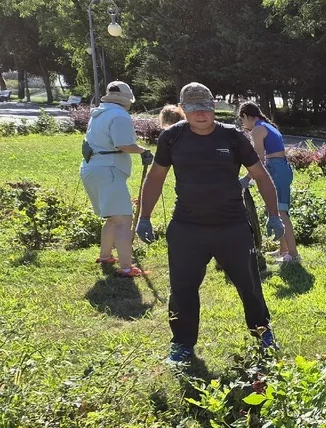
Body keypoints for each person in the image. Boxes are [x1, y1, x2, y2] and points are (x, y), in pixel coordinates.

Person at [135, 82, 285, 365]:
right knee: (182, 289)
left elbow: (261, 176)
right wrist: (144, 217)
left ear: (213, 108)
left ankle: (263, 334)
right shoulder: (171, 138)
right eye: (193, 109)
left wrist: (274, 214)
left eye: (205, 107)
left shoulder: (232, 137)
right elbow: (155, 178)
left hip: (232, 226)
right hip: (187, 227)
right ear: (183, 109)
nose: (200, 114)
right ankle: (181, 344)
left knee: (249, 285)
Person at [79, 81, 152, 277]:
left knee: (112, 218)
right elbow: (123, 144)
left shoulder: (99, 112)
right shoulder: (119, 115)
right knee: (122, 220)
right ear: (127, 100)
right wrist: (143, 150)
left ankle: (105, 256)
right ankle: (127, 267)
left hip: (91, 168)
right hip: (108, 169)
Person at [238, 102, 299, 263]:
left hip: (277, 169)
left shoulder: (258, 129)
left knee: (281, 213)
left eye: (242, 120)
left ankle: (293, 255)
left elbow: (258, 159)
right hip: (280, 168)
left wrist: (247, 178)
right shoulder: (267, 125)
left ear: (246, 116)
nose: (243, 124)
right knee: (276, 210)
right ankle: (283, 250)